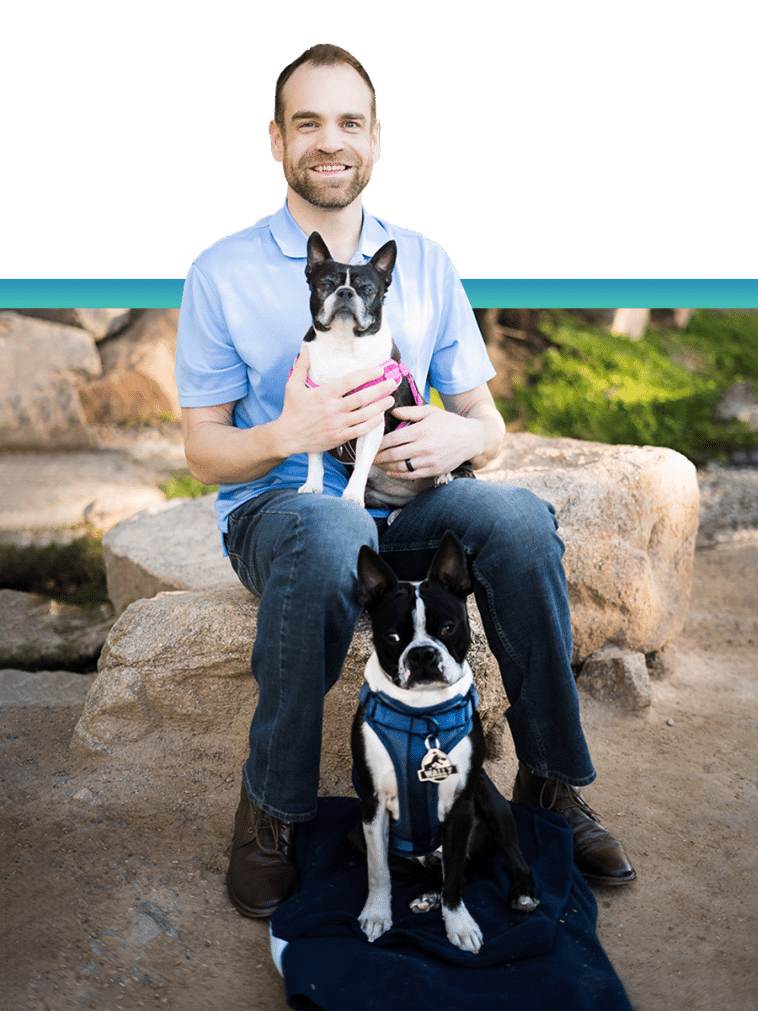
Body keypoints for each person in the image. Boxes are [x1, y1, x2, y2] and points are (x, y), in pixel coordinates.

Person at [175, 43, 635, 920]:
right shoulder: (219, 271)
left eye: (349, 121)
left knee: (520, 523)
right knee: (331, 529)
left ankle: (552, 783)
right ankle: (271, 811)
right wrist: (289, 432)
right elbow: (204, 454)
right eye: (307, 121)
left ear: (377, 140)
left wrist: (453, 434)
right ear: (276, 140)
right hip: (284, 510)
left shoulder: (423, 261)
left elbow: (489, 426)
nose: (329, 140)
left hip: (415, 500)